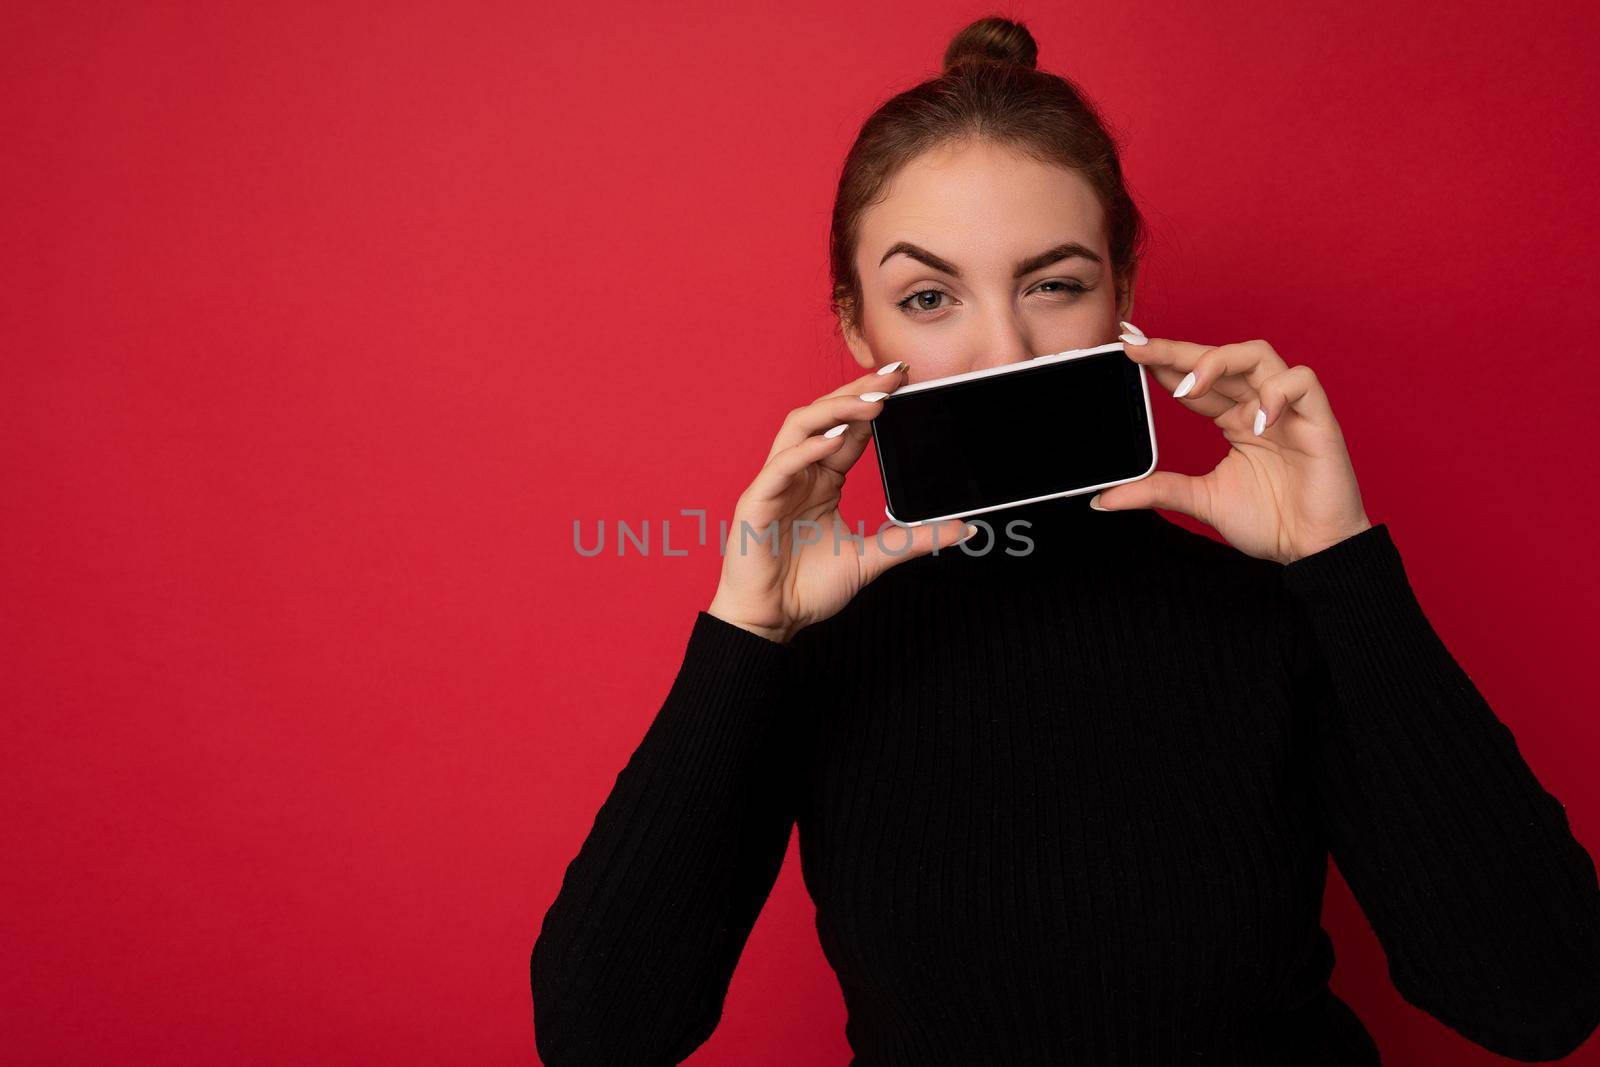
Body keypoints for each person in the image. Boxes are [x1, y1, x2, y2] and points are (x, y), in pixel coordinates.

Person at [530, 15, 1600, 1065]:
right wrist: (744, 631)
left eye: (1054, 283)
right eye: (928, 296)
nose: (1002, 349)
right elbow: (599, 1033)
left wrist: (1341, 566)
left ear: (1121, 294)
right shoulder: (815, 656)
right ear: (859, 329)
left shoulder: (1275, 616)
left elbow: (1541, 995)